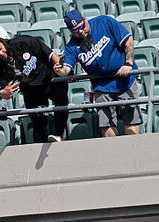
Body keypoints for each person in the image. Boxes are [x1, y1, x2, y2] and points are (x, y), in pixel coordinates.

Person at [54, 10, 140, 138]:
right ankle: (116, 154)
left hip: (124, 79)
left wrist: (128, 64)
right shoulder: (72, 47)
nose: (81, 32)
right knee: (105, 124)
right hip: (101, 85)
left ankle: (135, 152)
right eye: (76, 31)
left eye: (82, 26)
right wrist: (60, 71)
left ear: (85, 19)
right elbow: (67, 68)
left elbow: (128, 40)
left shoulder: (104, 22)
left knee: (131, 120)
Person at [0, 35, 68, 143]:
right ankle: (41, 145)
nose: (1, 54)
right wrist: (6, 93)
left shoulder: (23, 42)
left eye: (0, 49)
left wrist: (63, 70)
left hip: (49, 78)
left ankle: (58, 135)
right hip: (31, 89)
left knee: (61, 101)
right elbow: (3, 91)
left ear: (2, 42)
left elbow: (51, 55)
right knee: (37, 121)